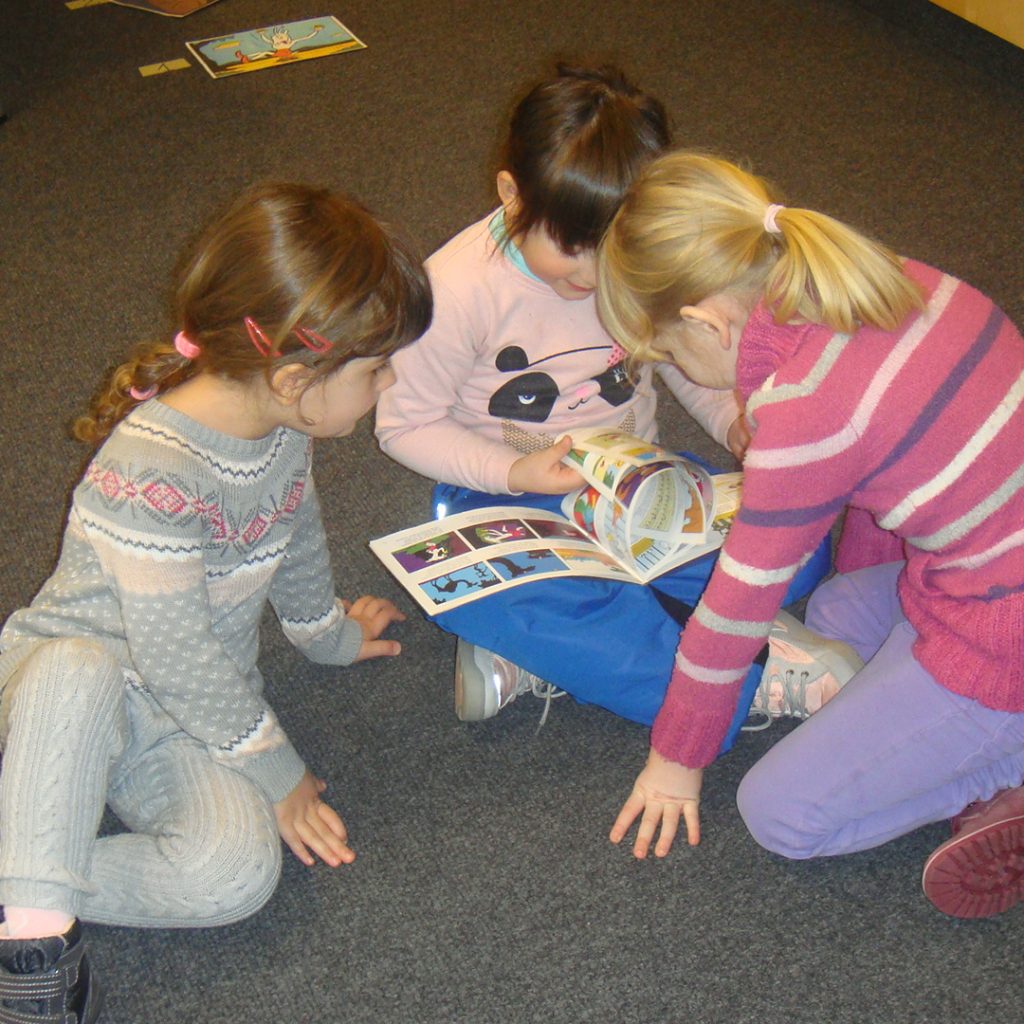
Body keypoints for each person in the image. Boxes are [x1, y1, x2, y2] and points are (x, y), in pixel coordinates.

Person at [0, 181, 432, 1020]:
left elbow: (296, 546)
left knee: (235, 875)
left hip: (183, 718)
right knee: (80, 668)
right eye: (377, 368)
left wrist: (330, 636)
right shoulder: (151, 469)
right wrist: (279, 772)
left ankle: (27, 869)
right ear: (296, 376)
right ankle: (33, 945)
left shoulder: (282, 431)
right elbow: (174, 655)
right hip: (63, 695)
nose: (390, 381)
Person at [597, 150, 1024, 918]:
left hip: (1003, 637)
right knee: (832, 615)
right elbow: (893, 481)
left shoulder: (806, 409)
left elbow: (735, 610)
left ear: (705, 322)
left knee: (781, 816)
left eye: (669, 353)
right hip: (980, 573)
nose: (674, 365)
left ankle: (1004, 769)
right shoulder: (886, 278)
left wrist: (676, 759)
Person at [375, 64, 833, 737]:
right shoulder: (456, 291)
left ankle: (552, 650)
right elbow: (404, 426)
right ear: (511, 194)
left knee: (801, 545)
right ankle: (728, 675)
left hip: (638, 484)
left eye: (611, 252)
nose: (594, 277)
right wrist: (514, 472)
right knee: (524, 602)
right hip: (500, 492)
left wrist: (730, 420)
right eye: (572, 250)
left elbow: (679, 354)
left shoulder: (641, 257)